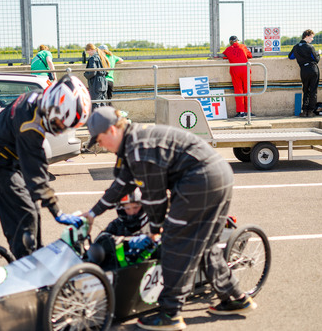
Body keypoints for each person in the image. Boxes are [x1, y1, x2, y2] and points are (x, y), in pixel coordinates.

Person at [81, 106, 256, 331]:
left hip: (200, 180)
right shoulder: (134, 143)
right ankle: (236, 298)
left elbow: (154, 200)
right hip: (218, 175)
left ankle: (170, 313)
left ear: (112, 131)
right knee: (207, 245)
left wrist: (156, 228)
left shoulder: (138, 149)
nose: (101, 146)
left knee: (175, 244)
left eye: (100, 140)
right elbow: (122, 185)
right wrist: (93, 212)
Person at [0, 75, 91, 259]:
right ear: (54, 106)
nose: (58, 130)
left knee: (33, 208)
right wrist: (57, 211)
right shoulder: (30, 125)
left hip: (8, 155)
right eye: (59, 124)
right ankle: (24, 263)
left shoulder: (40, 99)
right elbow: (36, 173)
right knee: (24, 212)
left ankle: (34, 253)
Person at [288, 29, 322, 117]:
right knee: (313, 91)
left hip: (303, 70)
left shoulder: (296, 47)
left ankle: (304, 111)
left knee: (305, 90)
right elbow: (316, 60)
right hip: (313, 69)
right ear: (306, 36)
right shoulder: (310, 47)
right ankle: (310, 111)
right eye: (311, 37)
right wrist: (318, 53)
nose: (312, 39)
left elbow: (291, 56)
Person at [222, 36, 253, 118]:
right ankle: (248, 111)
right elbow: (250, 56)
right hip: (245, 69)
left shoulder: (228, 49)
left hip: (235, 70)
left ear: (230, 41)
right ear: (237, 41)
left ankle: (241, 112)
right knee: (247, 90)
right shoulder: (243, 46)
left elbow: (224, 56)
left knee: (239, 91)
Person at [85, 43, 110, 111]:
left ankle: (96, 120)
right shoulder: (102, 56)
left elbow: (93, 71)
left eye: (87, 51)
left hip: (96, 83)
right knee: (103, 102)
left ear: (90, 50)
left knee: (95, 103)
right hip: (104, 82)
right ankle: (103, 119)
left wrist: (86, 75)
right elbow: (107, 71)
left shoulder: (93, 58)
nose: (88, 53)